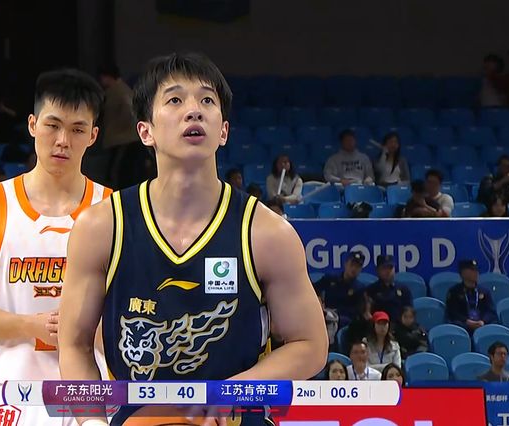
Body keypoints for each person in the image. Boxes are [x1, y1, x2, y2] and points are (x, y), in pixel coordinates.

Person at [58, 52, 328, 426]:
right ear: (145, 132)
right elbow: (74, 343)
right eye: (174, 100)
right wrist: (91, 422)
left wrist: (237, 390)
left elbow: (310, 345)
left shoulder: (267, 233)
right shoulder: (101, 227)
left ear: (223, 131)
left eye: (207, 100)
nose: (194, 111)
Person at [0, 68, 112, 426]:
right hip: (11, 396)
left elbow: (131, 314)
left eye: (77, 129)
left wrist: (84, 330)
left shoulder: (113, 211)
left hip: (90, 397)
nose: (63, 140)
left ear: (93, 135)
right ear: (33, 125)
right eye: (53, 125)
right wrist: (29, 325)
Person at [98, 64, 152, 189]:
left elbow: (130, 112)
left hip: (123, 138)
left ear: (107, 77)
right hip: (123, 137)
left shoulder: (119, 91)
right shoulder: (119, 90)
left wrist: (123, 126)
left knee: (121, 173)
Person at [314, 251, 366, 328]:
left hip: (345, 322)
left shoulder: (360, 288)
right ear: (346, 264)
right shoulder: (330, 278)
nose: (354, 269)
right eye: (352, 265)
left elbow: (358, 311)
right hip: (325, 315)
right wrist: (319, 301)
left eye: (357, 266)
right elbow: (313, 289)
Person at [446, 260, 497, 334]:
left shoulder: (484, 291)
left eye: (476, 270)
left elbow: (490, 311)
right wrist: (467, 321)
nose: (476, 273)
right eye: (472, 270)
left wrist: (483, 321)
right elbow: (453, 312)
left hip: (482, 326)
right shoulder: (454, 292)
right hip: (463, 326)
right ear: (463, 273)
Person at [364, 255, 412, 323]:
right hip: (378, 326)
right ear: (377, 270)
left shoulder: (404, 289)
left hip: (399, 327)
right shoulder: (370, 290)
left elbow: (409, 312)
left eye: (390, 268)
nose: (388, 271)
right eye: (384, 268)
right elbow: (367, 314)